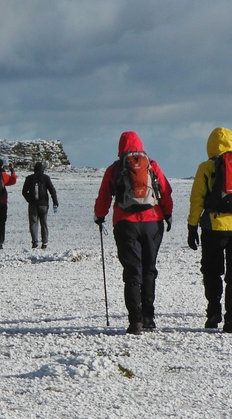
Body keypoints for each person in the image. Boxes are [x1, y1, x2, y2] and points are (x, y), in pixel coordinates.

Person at [94, 131, 173, 334]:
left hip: (125, 224)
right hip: (153, 222)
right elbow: (164, 190)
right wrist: (168, 213)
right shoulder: (151, 165)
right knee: (149, 269)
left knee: (132, 273)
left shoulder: (115, 169)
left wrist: (99, 216)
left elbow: (104, 195)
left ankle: (135, 321)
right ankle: (148, 317)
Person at [187, 127, 232, 333]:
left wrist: (192, 225)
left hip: (214, 226)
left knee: (212, 271)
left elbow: (197, 200)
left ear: (210, 145)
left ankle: (213, 312)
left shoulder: (206, 167)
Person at [21, 162, 59, 249]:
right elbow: (52, 190)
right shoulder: (46, 178)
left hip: (33, 204)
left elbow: (24, 192)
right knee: (44, 223)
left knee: (33, 223)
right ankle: (44, 242)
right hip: (44, 204)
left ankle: (35, 241)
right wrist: (55, 201)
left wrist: (29, 200)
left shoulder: (29, 178)